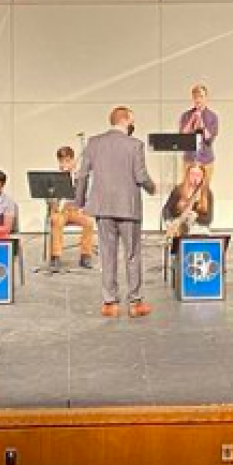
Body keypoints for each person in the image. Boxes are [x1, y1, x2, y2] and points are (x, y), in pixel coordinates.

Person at [75, 106, 156, 318]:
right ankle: (135, 302)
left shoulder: (94, 142)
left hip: (103, 207)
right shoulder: (135, 145)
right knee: (132, 254)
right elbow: (140, 176)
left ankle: (110, 303)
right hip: (128, 207)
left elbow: (81, 175)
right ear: (126, 120)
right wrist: (152, 187)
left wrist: (79, 201)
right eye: (133, 120)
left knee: (107, 254)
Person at [49, 146, 96, 270]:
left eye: (67, 160)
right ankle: (56, 257)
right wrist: (53, 198)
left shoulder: (81, 175)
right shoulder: (54, 176)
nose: (65, 163)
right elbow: (49, 199)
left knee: (89, 222)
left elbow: (88, 195)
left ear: (73, 160)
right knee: (56, 221)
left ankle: (85, 256)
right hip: (61, 210)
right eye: (62, 161)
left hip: (76, 209)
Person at [179, 85, 219, 206]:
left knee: (204, 189)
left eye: (201, 97)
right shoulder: (186, 115)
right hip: (189, 158)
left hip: (206, 159)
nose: (198, 100)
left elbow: (209, 137)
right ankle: (185, 216)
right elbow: (182, 135)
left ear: (206, 98)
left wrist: (201, 123)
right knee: (186, 190)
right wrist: (192, 120)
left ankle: (203, 217)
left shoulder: (212, 116)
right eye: (196, 97)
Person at [164, 162, 213, 239]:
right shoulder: (178, 190)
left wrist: (196, 217)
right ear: (187, 175)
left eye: (198, 175)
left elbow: (209, 219)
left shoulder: (207, 193)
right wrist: (168, 222)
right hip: (179, 228)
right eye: (192, 174)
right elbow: (166, 209)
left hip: (198, 229)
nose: (195, 177)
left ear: (203, 177)